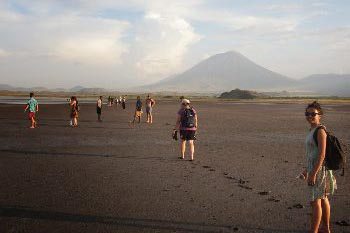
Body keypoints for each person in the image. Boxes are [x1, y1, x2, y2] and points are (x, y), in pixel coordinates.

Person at [300, 101, 336, 233]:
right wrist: (306, 170)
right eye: (307, 114)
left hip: (319, 170)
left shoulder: (320, 131)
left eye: (313, 114)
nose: (310, 116)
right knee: (323, 198)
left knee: (315, 201)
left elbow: (321, 155)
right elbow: (312, 154)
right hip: (315, 168)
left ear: (319, 115)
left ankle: (314, 231)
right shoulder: (312, 130)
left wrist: (313, 173)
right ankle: (326, 228)